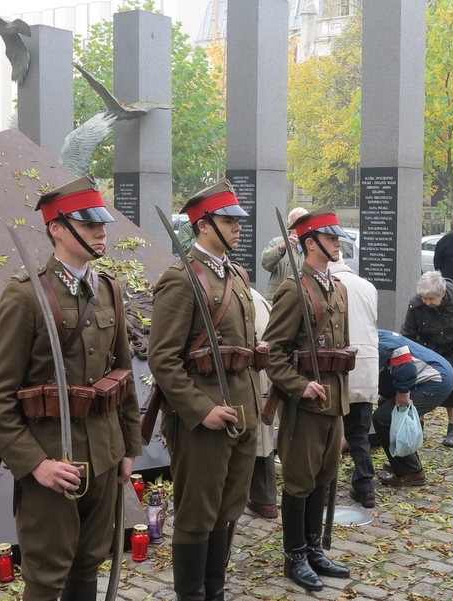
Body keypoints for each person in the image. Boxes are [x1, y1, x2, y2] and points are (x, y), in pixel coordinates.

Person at [0, 175, 142, 601]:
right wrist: (35, 464)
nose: (100, 232)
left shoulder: (109, 292)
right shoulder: (26, 297)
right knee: (48, 574)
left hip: (104, 455)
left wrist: (128, 448)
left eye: (101, 224)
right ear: (57, 228)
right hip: (52, 460)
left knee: (89, 562)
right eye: (89, 225)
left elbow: (122, 377)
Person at [148, 179, 261, 601]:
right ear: (202, 225)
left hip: (242, 413)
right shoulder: (181, 279)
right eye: (228, 221)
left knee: (229, 510)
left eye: (237, 220)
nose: (237, 228)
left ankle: (215, 592)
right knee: (198, 516)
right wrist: (201, 409)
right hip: (203, 422)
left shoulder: (237, 273)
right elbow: (163, 359)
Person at [263, 205, 352, 592]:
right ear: (310, 243)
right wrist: (299, 386)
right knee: (299, 482)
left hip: (335, 401)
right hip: (306, 405)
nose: (337, 242)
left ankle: (314, 549)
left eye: (336, 237)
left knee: (324, 477)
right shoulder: (293, 290)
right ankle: (295, 555)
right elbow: (274, 353)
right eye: (330, 237)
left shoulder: (338, 287)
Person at [400, 271, 453, 448]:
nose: (426, 302)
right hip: (426, 347)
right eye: (424, 298)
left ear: (443, 293)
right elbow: (407, 334)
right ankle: (419, 427)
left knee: (451, 384)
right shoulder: (416, 304)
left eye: (431, 299)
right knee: (418, 383)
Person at [372, 330, 453, 485]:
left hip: (436, 380)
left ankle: (412, 472)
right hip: (438, 373)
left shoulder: (376, 342)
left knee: (384, 418)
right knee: (384, 405)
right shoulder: (374, 334)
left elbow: (402, 357)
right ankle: (403, 461)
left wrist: (403, 390)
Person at [329, 257, 379, 509]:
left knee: (327, 431)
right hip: (366, 362)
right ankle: (365, 486)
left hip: (337, 362)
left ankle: (325, 485)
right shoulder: (367, 286)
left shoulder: (327, 283)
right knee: (359, 432)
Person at [246, 288, 278, 520]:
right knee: (262, 438)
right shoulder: (255, 296)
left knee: (256, 436)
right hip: (263, 370)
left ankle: (262, 499)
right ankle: (265, 498)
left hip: (247, 373)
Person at [260, 207, 308, 302]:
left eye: (302, 221)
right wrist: (280, 248)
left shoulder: (313, 245)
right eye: (295, 221)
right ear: (289, 224)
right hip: (279, 299)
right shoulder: (276, 242)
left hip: (305, 300)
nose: (298, 224)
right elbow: (265, 264)